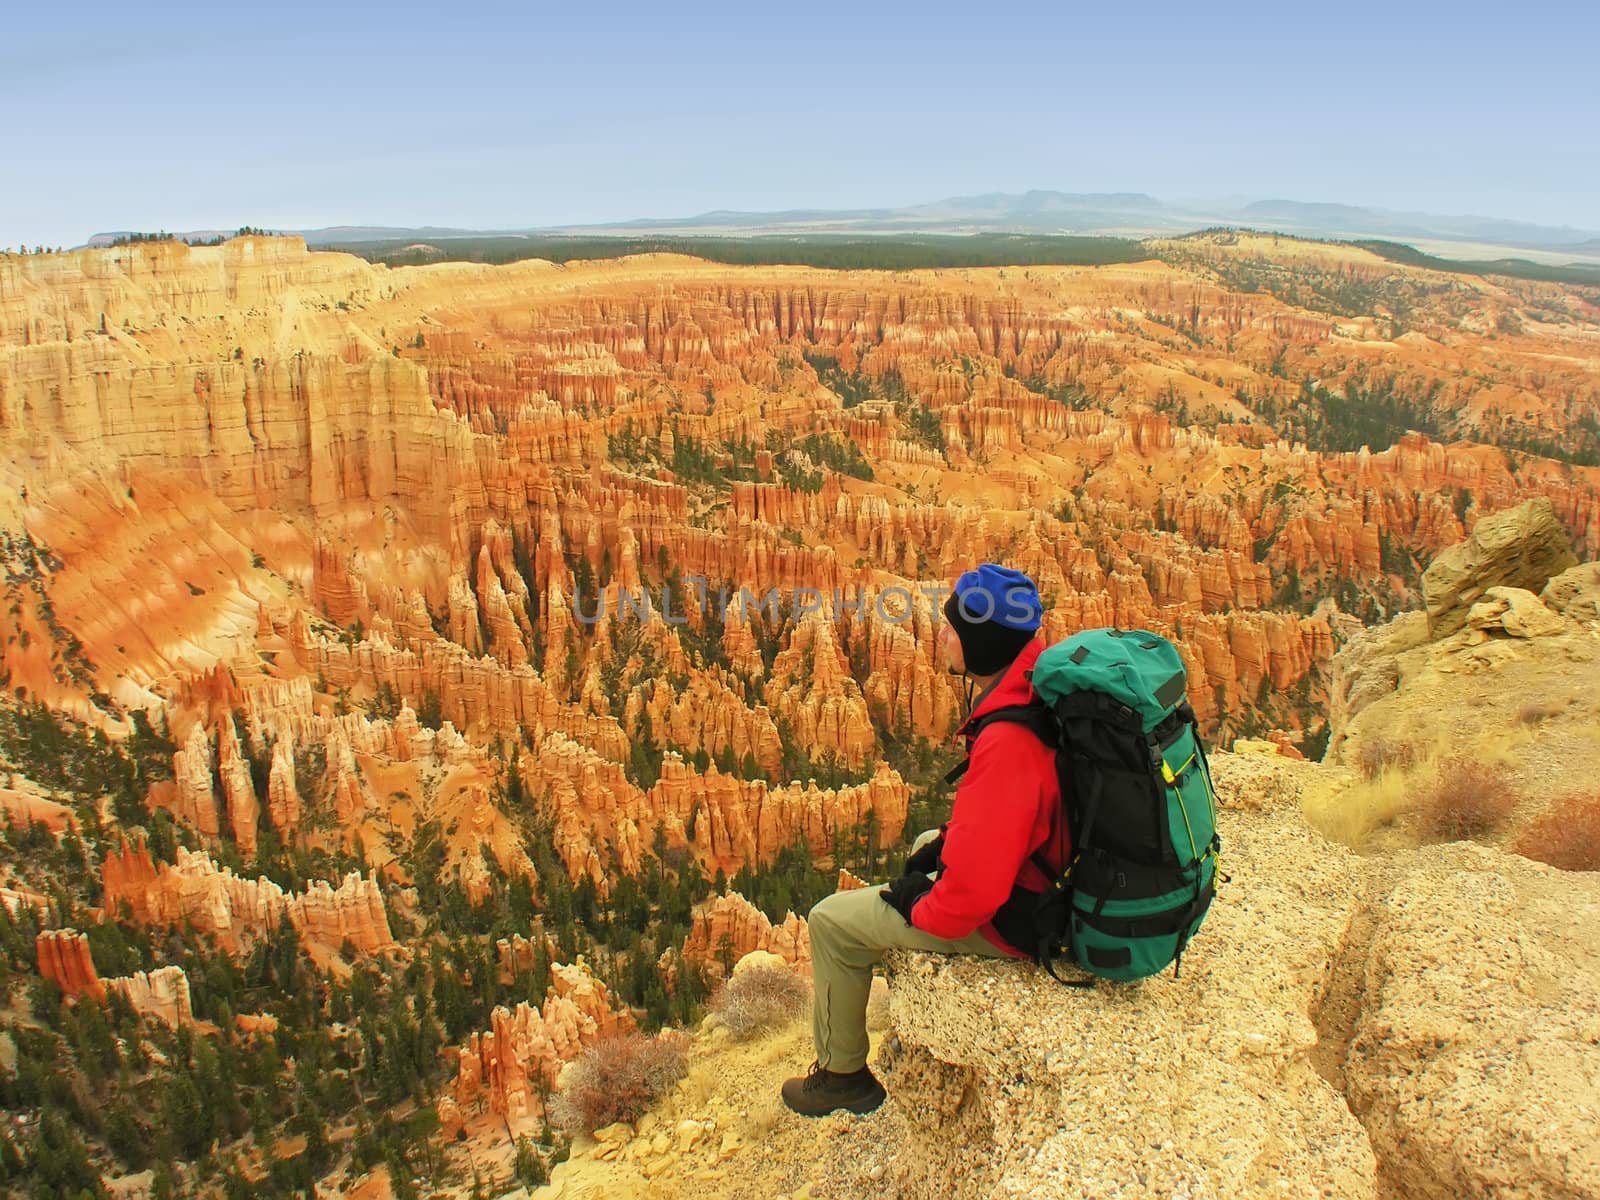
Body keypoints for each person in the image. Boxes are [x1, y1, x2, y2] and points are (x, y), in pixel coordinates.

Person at [780, 563, 1068, 1117]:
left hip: (1030, 913)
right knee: (930, 838)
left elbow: (968, 905)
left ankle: (842, 1075)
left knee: (831, 921)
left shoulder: (1009, 740)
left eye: (952, 626)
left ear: (981, 642)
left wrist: (920, 903)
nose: (937, 634)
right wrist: (950, 843)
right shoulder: (1037, 686)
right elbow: (1018, 813)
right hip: (1050, 867)